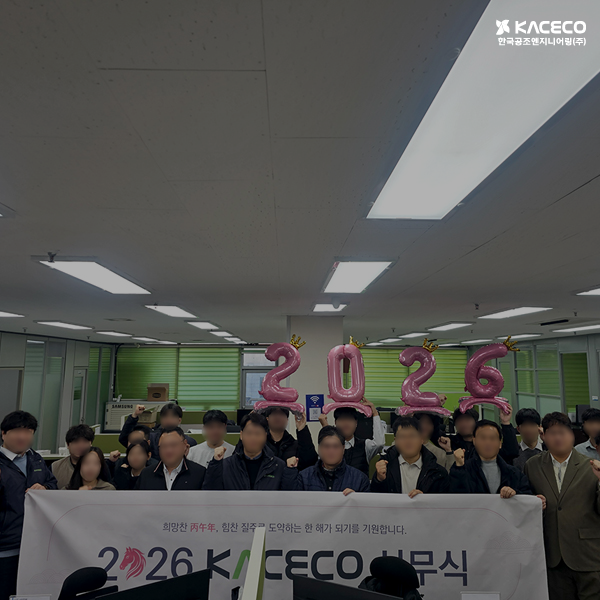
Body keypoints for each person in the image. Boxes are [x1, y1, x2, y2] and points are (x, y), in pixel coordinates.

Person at [524, 412, 600, 600]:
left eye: (563, 432)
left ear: (572, 435)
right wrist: (534, 503)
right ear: (543, 436)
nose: (558, 437)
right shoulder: (532, 466)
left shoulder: (591, 466)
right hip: (552, 555)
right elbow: (525, 503)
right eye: (552, 433)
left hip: (588, 554)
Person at [0, 411, 57, 600]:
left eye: (28, 431)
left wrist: (45, 488)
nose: (22, 436)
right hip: (6, 549)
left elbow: (53, 484)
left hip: (35, 546)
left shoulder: (36, 459)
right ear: (3, 433)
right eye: (17, 431)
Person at [203, 412, 298, 491]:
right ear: (241, 435)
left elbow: (288, 496)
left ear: (265, 436)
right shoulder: (227, 465)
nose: (253, 438)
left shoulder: (278, 466)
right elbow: (210, 492)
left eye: (258, 433)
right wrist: (215, 464)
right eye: (249, 433)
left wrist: (290, 471)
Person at [449, 419, 532, 496]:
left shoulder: (514, 473)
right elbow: (455, 498)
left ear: (500, 443)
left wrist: (514, 493)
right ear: (474, 440)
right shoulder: (463, 470)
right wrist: (459, 467)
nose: (487, 442)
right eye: (483, 438)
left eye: (492, 438)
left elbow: (527, 498)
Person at [371, 416, 449, 496]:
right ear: (395, 441)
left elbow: (442, 501)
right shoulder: (386, 466)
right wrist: (379, 479)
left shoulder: (437, 472)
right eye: (402, 437)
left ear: (421, 439)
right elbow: (375, 498)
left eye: (412, 436)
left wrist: (425, 499)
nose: (408, 441)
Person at [319, 398, 385, 476]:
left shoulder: (365, 445)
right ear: (336, 423)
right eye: (342, 419)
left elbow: (379, 443)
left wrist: (375, 413)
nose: (346, 423)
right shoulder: (330, 448)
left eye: (350, 419)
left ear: (356, 423)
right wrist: (326, 427)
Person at [439, 405, 520, 464]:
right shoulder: (449, 442)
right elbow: (434, 432)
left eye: (467, 420)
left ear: (475, 422)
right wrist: (437, 406)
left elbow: (512, 452)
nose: (464, 424)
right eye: (460, 420)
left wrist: (505, 423)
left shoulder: (485, 444)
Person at [299, 426, 369, 493]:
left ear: (343, 449)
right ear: (319, 448)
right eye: (326, 446)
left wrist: (356, 498)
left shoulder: (360, 479)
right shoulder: (304, 477)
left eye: (336, 446)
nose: (331, 451)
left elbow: (367, 501)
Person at [136, 427, 206, 490]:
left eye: (173, 445)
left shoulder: (199, 473)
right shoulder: (146, 474)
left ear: (185, 445)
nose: (169, 451)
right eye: (164, 446)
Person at [118, 402, 197, 459]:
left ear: (179, 420)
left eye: (172, 417)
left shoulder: (189, 442)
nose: (168, 420)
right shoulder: (151, 438)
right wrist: (134, 416)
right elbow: (124, 439)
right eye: (165, 416)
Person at [51, 424, 95, 489]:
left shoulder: (99, 466)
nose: (80, 446)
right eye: (76, 442)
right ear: (68, 445)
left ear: (91, 444)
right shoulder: (55, 467)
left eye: (85, 441)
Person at [513, 408, 545, 472]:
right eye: (525, 426)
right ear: (518, 429)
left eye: (532, 425)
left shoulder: (548, 449)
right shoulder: (514, 452)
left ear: (539, 427)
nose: (528, 429)